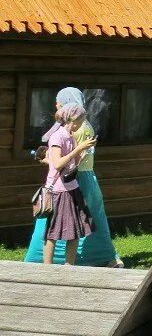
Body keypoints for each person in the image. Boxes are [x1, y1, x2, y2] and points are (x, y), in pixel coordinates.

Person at [39, 94, 96, 264]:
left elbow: (71, 165)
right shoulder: (58, 137)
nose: (82, 124)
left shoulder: (70, 136)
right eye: (82, 120)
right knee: (53, 231)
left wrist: (82, 153)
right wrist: (78, 149)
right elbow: (57, 164)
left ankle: (69, 268)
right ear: (74, 120)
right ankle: (46, 270)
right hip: (59, 191)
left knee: (77, 229)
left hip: (72, 187)